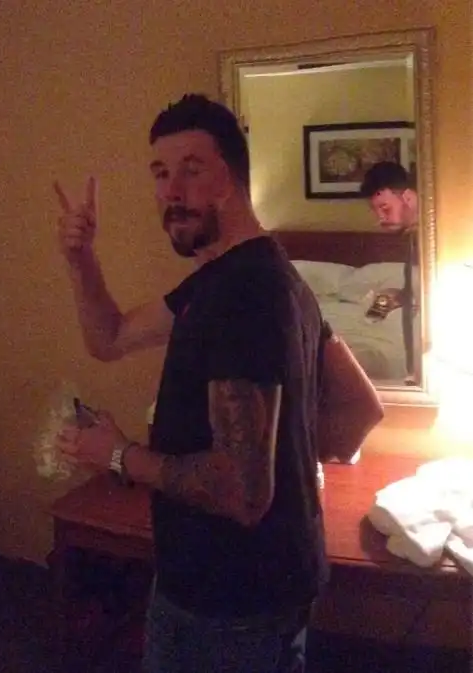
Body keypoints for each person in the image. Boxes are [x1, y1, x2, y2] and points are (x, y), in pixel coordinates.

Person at [54, 93, 383, 672]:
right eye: (160, 173)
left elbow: (243, 493)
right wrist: (81, 258)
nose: (170, 191)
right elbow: (110, 337)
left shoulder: (245, 293)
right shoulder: (238, 277)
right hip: (260, 585)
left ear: (231, 178)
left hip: (230, 600)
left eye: (191, 169)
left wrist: (119, 455)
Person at [360, 161, 419, 382]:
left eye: (385, 208)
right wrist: (397, 296)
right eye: (375, 211)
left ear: (408, 198)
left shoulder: (444, 235)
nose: (380, 220)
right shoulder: (412, 238)